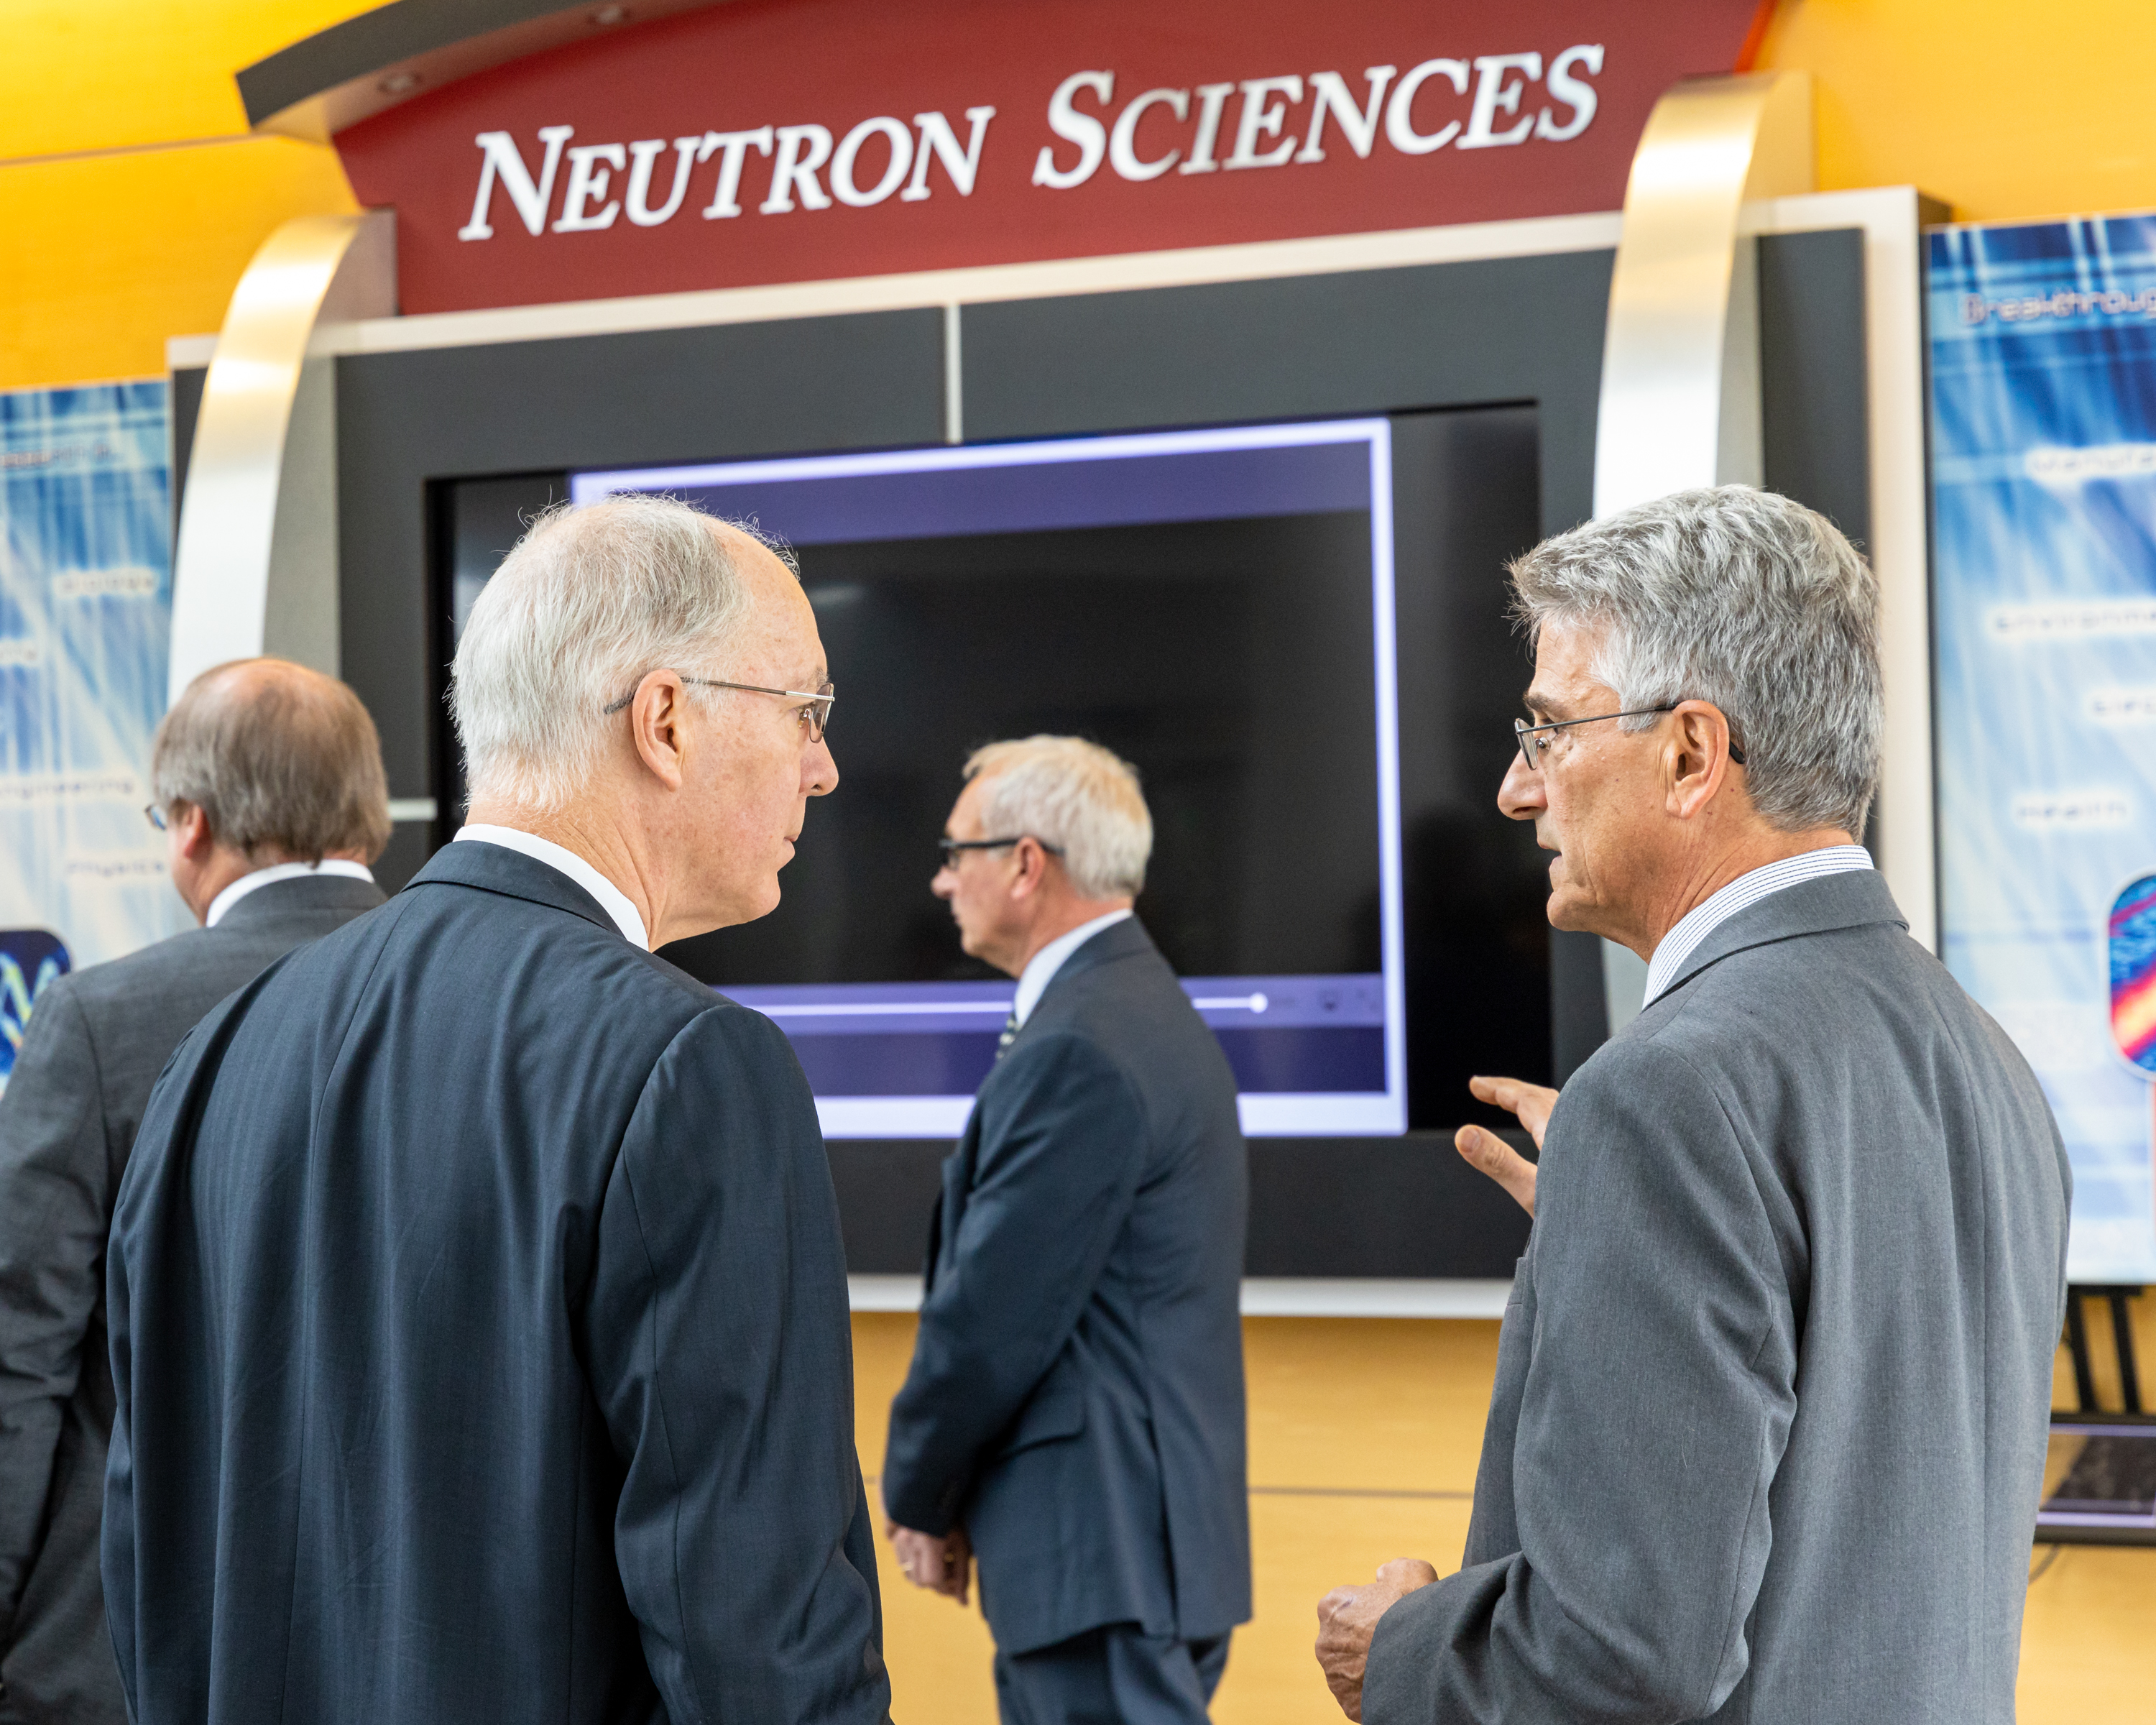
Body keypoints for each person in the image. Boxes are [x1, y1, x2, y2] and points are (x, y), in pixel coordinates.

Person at [103, 497, 890, 1724]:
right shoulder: (690, 1067)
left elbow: (152, 1570)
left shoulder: (214, 1059)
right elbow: (763, 1646)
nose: (825, 764)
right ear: (666, 720)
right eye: (806, 711)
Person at [1313, 486, 2072, 1724]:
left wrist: (1398, 1652)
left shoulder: (1668, 1094)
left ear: (1689, 755)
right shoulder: (1985, 1060)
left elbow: (1618, 1660)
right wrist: (1612, 1223)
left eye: (1549, 731)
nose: (1516, 789)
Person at [0, 658, 390, 1724]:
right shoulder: (504, 1007)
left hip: (131, 1650)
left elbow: (16, 1355)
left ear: (190, 823)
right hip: (413, 1639)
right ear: (364, 813)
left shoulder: (100, 1025)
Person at [881, 735, 1250, 1725]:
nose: (940, 879)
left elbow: (994, 1314)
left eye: (958, 852)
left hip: (1103, 1548)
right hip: (1135, 1544)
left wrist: (916, 1488)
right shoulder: (1136, 1009)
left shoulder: (1083, 1045)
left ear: (1025, 864)